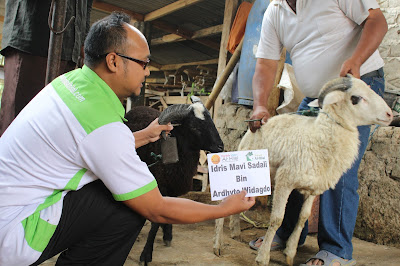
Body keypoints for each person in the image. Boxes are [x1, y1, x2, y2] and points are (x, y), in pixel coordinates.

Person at [0, 12, 256, 266]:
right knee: (128, 207)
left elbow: (90, 145)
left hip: (10, 204)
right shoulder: (102, 124)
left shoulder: (70, 83)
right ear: (113, 61)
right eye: (144, 63)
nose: (147, 72)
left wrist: (144, 136)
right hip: (14, 233)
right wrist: (223, 209)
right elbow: (155, 208)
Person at [248, 0, 387, 265]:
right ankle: (287, 233)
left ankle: (336, 250)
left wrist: (356, 60)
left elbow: (377, 21)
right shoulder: (274, 11)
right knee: (296, 159)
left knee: (336, 163)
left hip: (355, 87)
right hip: (316, 96)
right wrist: (259, 105)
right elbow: (265, 64)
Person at [0, 0, 93, 136]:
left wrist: (84, 41)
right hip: (32, 36)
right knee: (20, 121)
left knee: (53, 126)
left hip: (70, 46)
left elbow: (86, 4)